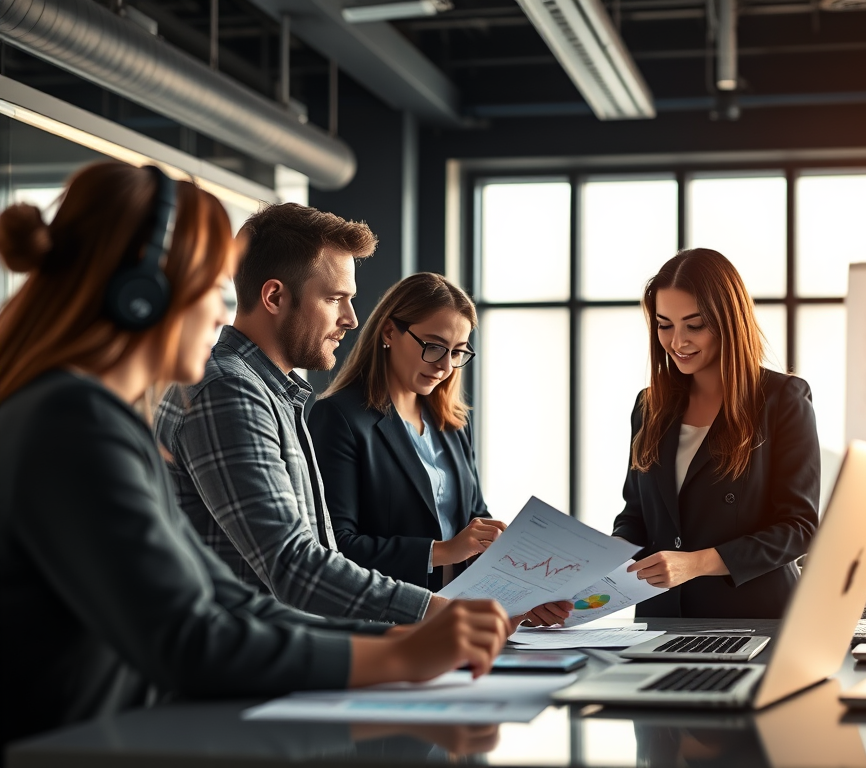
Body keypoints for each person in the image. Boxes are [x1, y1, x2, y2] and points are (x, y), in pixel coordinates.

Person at [0, 162, 509, 747]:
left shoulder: (97, 418)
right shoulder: (74, 421)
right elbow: (189, 636)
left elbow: (221, 595)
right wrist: (402, 654)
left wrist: (397, 640)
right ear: (142, 298)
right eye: (217, 289)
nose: (223, 313)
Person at [155, 204, 445, 624]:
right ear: (274, 296)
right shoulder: (229, 391)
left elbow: (316, 557)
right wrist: (436, 613)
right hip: (254, 679)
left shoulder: (273, 391)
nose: (351, 319)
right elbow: (293, 567)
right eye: (334, 299)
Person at [614, 247, 820, 618]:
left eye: (695, 325)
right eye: (665, 325)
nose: (678, 342)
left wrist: (695, 564)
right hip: (662, 620)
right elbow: (636, 517)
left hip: (754, 619)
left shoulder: (782, 399)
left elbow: (799, 527)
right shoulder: (649, 406)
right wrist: (595, 564)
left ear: (729, 321)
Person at [308, 273, 506, 591]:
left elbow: (475, 519)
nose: (444, 366)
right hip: (388, 618)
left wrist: (524, 582)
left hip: (457, 611)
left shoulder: (452, 423)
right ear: (389, 331)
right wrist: (443, 551)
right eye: (433, 346)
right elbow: (335, 545)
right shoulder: (338, 417)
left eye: (457, 352)